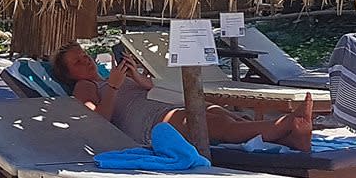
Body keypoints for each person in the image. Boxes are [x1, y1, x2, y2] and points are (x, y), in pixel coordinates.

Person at [50, 43, 315, 151]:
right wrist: (115, 87)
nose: (85, 61)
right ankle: (287, 124)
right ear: (70, 74)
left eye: (84, 55)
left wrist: (140, 80)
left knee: (219, 113)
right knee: (214, 125)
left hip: (164, 105)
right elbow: (97, 121)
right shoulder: (84, 87)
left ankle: (294, 141)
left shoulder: (112, 75)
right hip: (150, 123)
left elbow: (153, 88)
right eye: (77, 62)